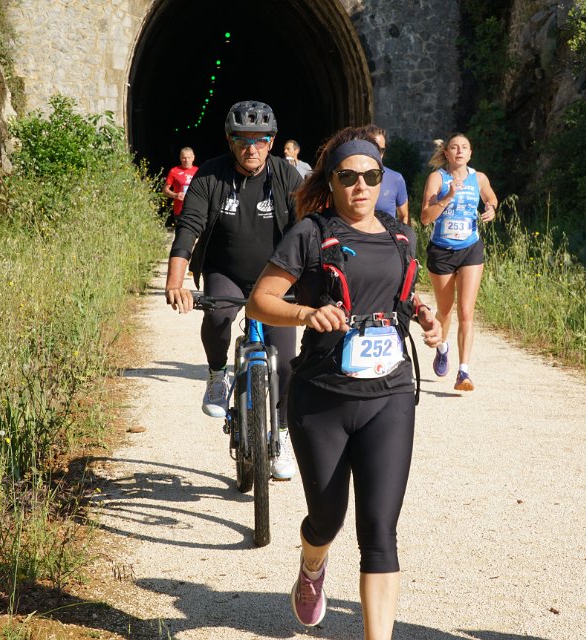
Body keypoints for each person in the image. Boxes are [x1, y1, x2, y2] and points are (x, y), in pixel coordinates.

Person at [245, 126, 442, 639]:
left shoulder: (401, 237)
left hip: (390, 395)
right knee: (327, 519)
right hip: (323, 399)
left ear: (383, 180)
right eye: (348, 177)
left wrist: (422, 313)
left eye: (371, 177)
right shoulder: (310, 234)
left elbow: (399, 296)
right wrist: (306, 314)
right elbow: (260, 302)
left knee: (379, 530)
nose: (360, 186)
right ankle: (312, 564)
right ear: (330, 182)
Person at [165, 101, 304, 481]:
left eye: (259, 140)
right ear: (230, 141)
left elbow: (308, 229)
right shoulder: (210, 175)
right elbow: (188, 228)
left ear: (271, 142)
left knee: (288, 362)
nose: (251, 148)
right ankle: (216, 376)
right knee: (218, 315)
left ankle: (283, 434)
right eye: (242, 140)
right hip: (224, 270)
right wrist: (175, 282)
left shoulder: (287, 178)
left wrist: (315, 282)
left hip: (275, 277)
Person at [419, 133, 498, 391]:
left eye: (464, 147)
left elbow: (491, 197)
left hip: (470, 249)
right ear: (447, 153)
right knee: (445, 311)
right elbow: (425, 218)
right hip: (441, 251)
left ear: (470, 153)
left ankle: (464, 372)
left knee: (466, 311)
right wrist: (448, 196)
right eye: (454, 147)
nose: (460, 151)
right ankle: (443, 348)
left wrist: (491, 208)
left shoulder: (479, 178)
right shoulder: (438, 178)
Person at [364, 124, 410, 224]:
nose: (378, 153)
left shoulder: (395, 179)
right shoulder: (351, 179)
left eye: (382, 150)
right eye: (375, 148)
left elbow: (404, 216)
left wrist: (401, 233)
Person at [163, 147, 198, 225]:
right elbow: (165, 190)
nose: (186, 160)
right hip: (180, 211)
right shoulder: (174, 171)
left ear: (193, 158)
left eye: (189, 157)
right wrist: (176, 195)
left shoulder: (199, 171)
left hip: (195, 210)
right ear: (180, 158)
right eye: (184, 158)